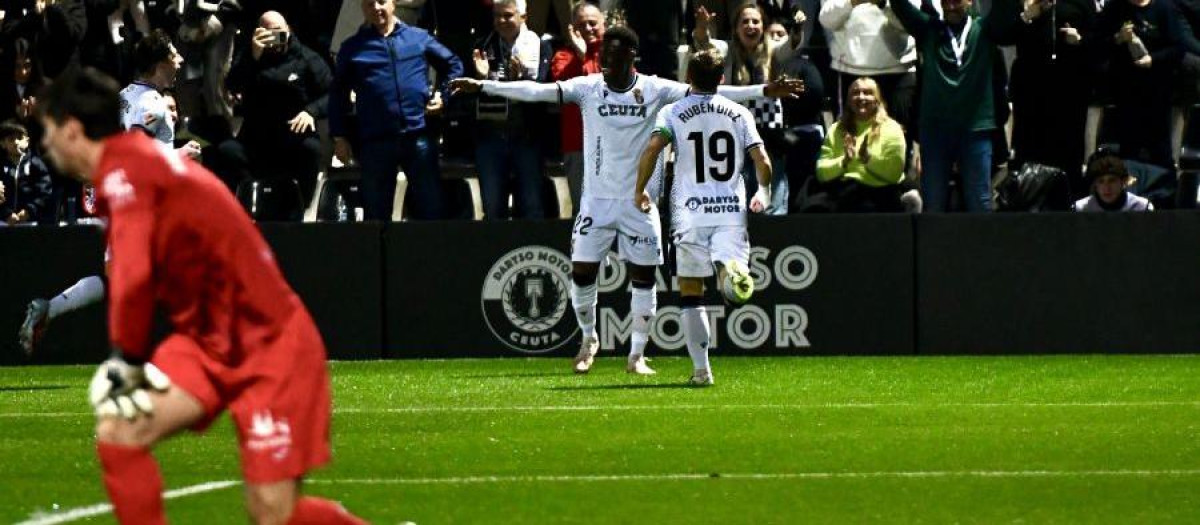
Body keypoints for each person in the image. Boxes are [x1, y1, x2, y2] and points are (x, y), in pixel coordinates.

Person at [35, 67, 365, 524]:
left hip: (269, 344)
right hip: (207, 341)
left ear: (72, 130)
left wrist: (125, 359)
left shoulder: (126, 171)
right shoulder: (131, 167)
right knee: (120, 433)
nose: (46, 146)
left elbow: (132, 276)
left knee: (273, 512)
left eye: (49, 133)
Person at [450, 26, 803, 375]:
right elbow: (536, 91)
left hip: (641, 203)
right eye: (604, 55)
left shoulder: (654, 89)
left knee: (644, 277)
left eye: (614, 56)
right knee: (582, 272)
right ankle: (588, 339)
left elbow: (711, 92)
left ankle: (637, 354)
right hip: (596, 202)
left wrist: (764, 90)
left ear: (631, 57)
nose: (605, 61)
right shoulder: (588, 88)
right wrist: (484, 85)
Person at [633, 48, 771, 386]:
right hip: (730, 211)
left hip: (690, 212)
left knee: (690, 292)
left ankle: (701, 371)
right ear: (722, 79)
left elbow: (653, 149)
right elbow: (762, 160)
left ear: (688, 78)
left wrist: (641, 189)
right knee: (726, 268)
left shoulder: (673, 111)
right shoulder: (739, 112)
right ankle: (728, 271)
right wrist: (763, 192)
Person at [330, 0, 464, 221]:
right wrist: (339, 136)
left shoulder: (418, 37)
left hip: (417, 136)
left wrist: (444, 96)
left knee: (431, 210)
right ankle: (380, 256)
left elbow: (454, 65)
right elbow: (337, 94)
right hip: (375, 141)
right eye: (369, 4)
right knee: (376, 216)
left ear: (393, 3)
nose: (376, 8)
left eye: (381, 1)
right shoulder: (353, 47)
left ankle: (430, 255)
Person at [889, 0, 1021, 213]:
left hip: (976, 130)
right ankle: (933, 247)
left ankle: (982, 247)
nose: (950, 7)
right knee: (933, 203)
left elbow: (1005, 7)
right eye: (946, 1)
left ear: (970, 1)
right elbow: (900, 6)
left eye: (957, 1)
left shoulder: (985, 30)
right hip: (935, 131)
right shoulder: (929, 30)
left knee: (980, 201)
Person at [221, 10, 332, 214]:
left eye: (279, 32)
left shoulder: (307, 58)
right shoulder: (250, 55)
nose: (274, 38)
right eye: (268, 33)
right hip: (256, 137)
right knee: (227, 152)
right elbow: (232, 85)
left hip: (293, 136)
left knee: (312, 149)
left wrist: (311, 112)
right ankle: (246, 207)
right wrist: (253, 56)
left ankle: (300, 208)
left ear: (288, 30)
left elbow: (333, 94)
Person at [693, 3, 789, 214]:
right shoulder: (727, 50)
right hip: (735, 137)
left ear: (763, 27)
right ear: (736, 28)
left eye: (756, 21)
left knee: (773, 203)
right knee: (740, 203)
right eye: (745, 21)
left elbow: (793, 45)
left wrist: (798, 28)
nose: (750, 25)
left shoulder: (774, 50)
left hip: (770, 137)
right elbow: (704, 44)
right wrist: (702, 27)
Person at [469, 0, 551, 220]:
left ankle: (532, 252)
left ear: (523, 17)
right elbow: (468, 92)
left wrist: (520, 80)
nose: (501, 21)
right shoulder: (481, 46)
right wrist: (482, 78)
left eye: (507, 16)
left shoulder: (540, 45)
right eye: (497, 16)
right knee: (493, 207)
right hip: (491, 138)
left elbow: (544, 88)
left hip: (527, 137)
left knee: (532, 205)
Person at [1008, 0, 1096, 196]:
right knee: (1029, 161)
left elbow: (1097, 39)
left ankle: (1068, 208)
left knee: (1069, 159)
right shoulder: (1025, 2)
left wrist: (1079, 39)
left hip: (1070, 95)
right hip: (1031, 96)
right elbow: (1002, 33)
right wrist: (1027, 16)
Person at [1096, 0, 1187, 169]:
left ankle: (1163, 189)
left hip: (1157, 89)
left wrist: (1153, 59)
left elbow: (1178, 47)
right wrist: (1118, 38)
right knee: (1129, 147)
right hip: (1125, 89)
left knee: (1160, 147)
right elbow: (1098, 44)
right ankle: (1129, 190)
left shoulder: (1164, 8)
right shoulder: (1115, 8)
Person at [815, 77, 909, 212]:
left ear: (877, 100)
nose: (861, 97)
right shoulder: (836, 129)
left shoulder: (892, 128)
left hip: (880, 193)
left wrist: (868, 159)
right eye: (855, 93)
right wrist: (844, 161)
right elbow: (821, 173)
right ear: (848, 100)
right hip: (844, 192)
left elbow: (894, 174)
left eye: (867, 93)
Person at [550, 1, 605, 211]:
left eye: (593, 23)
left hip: (613, 144)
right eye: (582, 24)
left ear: (604, 25)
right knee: (584, 209)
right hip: (578, 145)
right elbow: (569, 89)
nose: (588, 28)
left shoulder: (615, 56)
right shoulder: (563, 57)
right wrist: (582, 57)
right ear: (573, 29)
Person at [120, 29, 203, 160]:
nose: (180, 60)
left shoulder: (124, 94)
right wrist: (180, 154)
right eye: (174, 55)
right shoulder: (154, 104)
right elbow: (136, 153)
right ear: (161, 66)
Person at [0, 119, 51, 224]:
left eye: (19, 138)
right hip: (4, 222)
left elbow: (44, 190)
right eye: (11, 139)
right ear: (2, 144)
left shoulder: (35, 164)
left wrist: (29, 210)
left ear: (27, 141)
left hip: (31, 221)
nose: (16, 142)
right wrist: (6, 214)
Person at [1073, 149, 1154, 211]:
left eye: (1112, 181)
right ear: (1095, 185)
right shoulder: (1081, 208)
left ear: (1123, 182)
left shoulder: (1142, 207)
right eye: (1101, 181)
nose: (1106, 188)